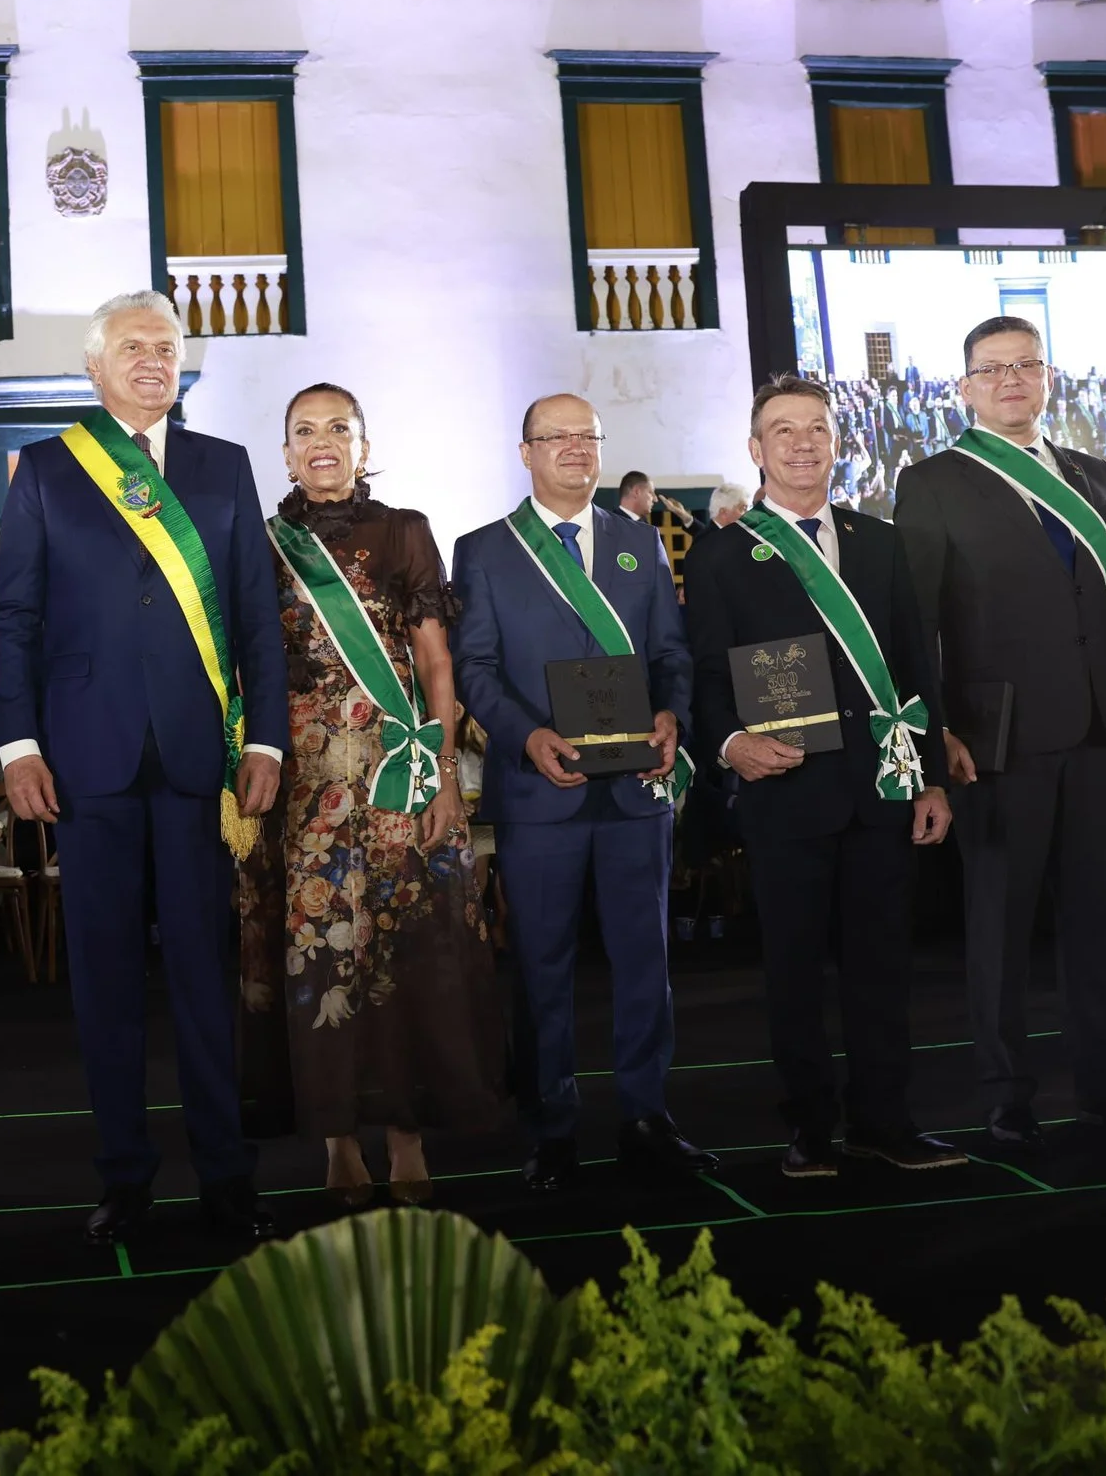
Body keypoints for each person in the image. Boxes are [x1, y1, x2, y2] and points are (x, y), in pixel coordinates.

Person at [0, 290, 285, 1243]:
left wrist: (267, 739)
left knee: (205, 975)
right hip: (85, 761)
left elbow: (253, 620)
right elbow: (16, 619)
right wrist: (18, 742)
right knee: (105, 980)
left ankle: (226, 1174)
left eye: (166, 346)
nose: (152, 359)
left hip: (202, 759)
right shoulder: (42, 469)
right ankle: (122, 1173)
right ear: (95, 365)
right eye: (132, 346)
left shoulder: (223, 466)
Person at [893, 318, 1106, 1151]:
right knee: (1001, 924)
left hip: (1098, 728)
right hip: (994, 737)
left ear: (1047, 377)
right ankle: (1006, 1092)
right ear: (965, 388)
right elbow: (917, 622)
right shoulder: (935, 479)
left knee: (1102, 921)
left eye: (1025, 365)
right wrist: (937, 729)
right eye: (993, 369)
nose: (1011, 380)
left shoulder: (1091, 473)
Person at [235, 384, 505, 1207]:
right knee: (323, 962)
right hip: (305, 788)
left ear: (363, 444)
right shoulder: (262, 543)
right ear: (284, 451)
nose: (322, 443)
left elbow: (434, 661)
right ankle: (337, 1140)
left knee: (411, 957)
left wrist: (449, 771)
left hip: (401, 776)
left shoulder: (404, 530)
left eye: (339, 429)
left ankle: (408, 1135)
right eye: (304, 431)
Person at [684, 377, 960, 1177]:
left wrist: (933, 778)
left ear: (837, 442)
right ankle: (809, 1124)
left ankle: (886, 1118)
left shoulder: (881, 542)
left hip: (881, 789)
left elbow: (917, 666)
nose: (802, 444)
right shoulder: (723, 554)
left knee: (883, 967)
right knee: (796, 970)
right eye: (783, 431)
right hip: (786, 790)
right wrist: (731, 740)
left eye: (817, 429)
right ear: (755, 448)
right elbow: (707, 674)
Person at [452, 393, 709, 1187]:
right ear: (524, 451)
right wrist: (527, 734)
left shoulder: (642, 543)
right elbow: (476, 670)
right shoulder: (486, 549)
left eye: (586, 437)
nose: (573, 448)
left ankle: (645, 1112)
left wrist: (672, 714)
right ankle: (551, 1127)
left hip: (635, 788)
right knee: (541, 964)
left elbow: (673, 654)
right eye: (554, 436)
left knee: (645, 960)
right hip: (540, 789)